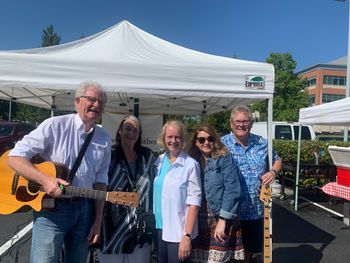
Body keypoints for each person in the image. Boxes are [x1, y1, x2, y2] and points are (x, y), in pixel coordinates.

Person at [7, 81, 112, 263]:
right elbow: (15, 157)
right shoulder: (54, 125)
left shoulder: (104, 138)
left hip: (85, 210)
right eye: (92, 99)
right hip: (51, 210)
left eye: (101, 102)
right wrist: (46, 180)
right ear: (77, 101)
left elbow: (101, 180)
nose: (96, 105)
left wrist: (98, 219)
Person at [221, 105, 282, 263]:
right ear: (231, 123)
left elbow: (277, 160)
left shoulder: (262, 143)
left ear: (251, 123)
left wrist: (273, 172)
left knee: (249, 250)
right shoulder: (221, 144)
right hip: (230, 209)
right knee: (228, 249)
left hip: (255, 208)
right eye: (238, 121)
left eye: (245, 121)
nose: (241, 124)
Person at [97, 115, 156, 263]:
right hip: (111, 228)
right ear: (120, 131)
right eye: (128, 129)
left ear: (139, 135)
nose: (131, 133)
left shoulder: (147, 156)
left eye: (135, 130)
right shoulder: (108, 155)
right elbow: (97, 183)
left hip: (140, 228)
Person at [189, 124, 244, 263]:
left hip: (220, 214)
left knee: (218, 260)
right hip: (197, 218)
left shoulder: (224, 157)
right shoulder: (190, 160)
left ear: (215, 140)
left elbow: (233, 189)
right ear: (196, 142)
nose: (206, 142)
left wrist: (222, 220)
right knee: (198, 258)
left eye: (210, 138)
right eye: (201, 140)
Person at [153, 120, 202, 263]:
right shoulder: (159, 161)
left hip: (178, 231)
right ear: (164, 138)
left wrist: (186, 236)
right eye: (169, 137)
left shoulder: (191, 165)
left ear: (183, 139)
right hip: (159, 227)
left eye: (177, 137)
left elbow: (194, 202)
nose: (173, 141)